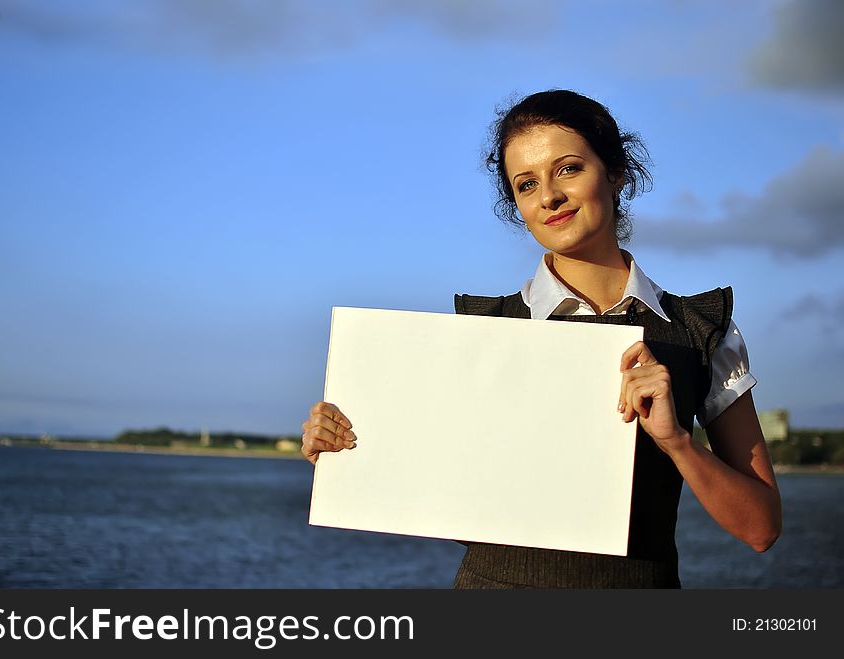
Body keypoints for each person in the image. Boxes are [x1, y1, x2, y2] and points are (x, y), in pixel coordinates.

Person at [300, 89, 782, 588]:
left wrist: (677, 443)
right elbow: (427, 484)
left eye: (568, 168)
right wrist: (343, 449)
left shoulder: (700, 331)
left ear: (616, 173)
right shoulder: (480, 331)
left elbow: (761, 529)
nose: (548, 196)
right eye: (526, 184)